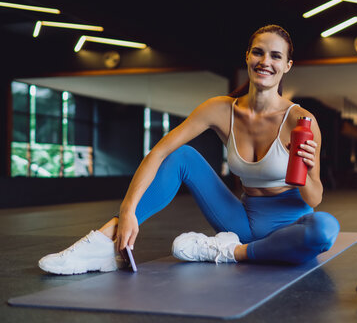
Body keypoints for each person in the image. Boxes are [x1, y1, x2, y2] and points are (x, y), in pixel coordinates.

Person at [38, 25, 340, 275]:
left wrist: (309, 169)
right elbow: (158, 153)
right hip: (241, 221)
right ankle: (104, 243)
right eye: (258, 52)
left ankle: (228, 251)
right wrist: (128, 211)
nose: (265, 61)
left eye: (276, 56)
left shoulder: (301, 121)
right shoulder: (220, 109)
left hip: (289, 227)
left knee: (325, 229)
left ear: (287, 66)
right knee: (182, 155)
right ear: (247, 56)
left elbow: (314, 198)